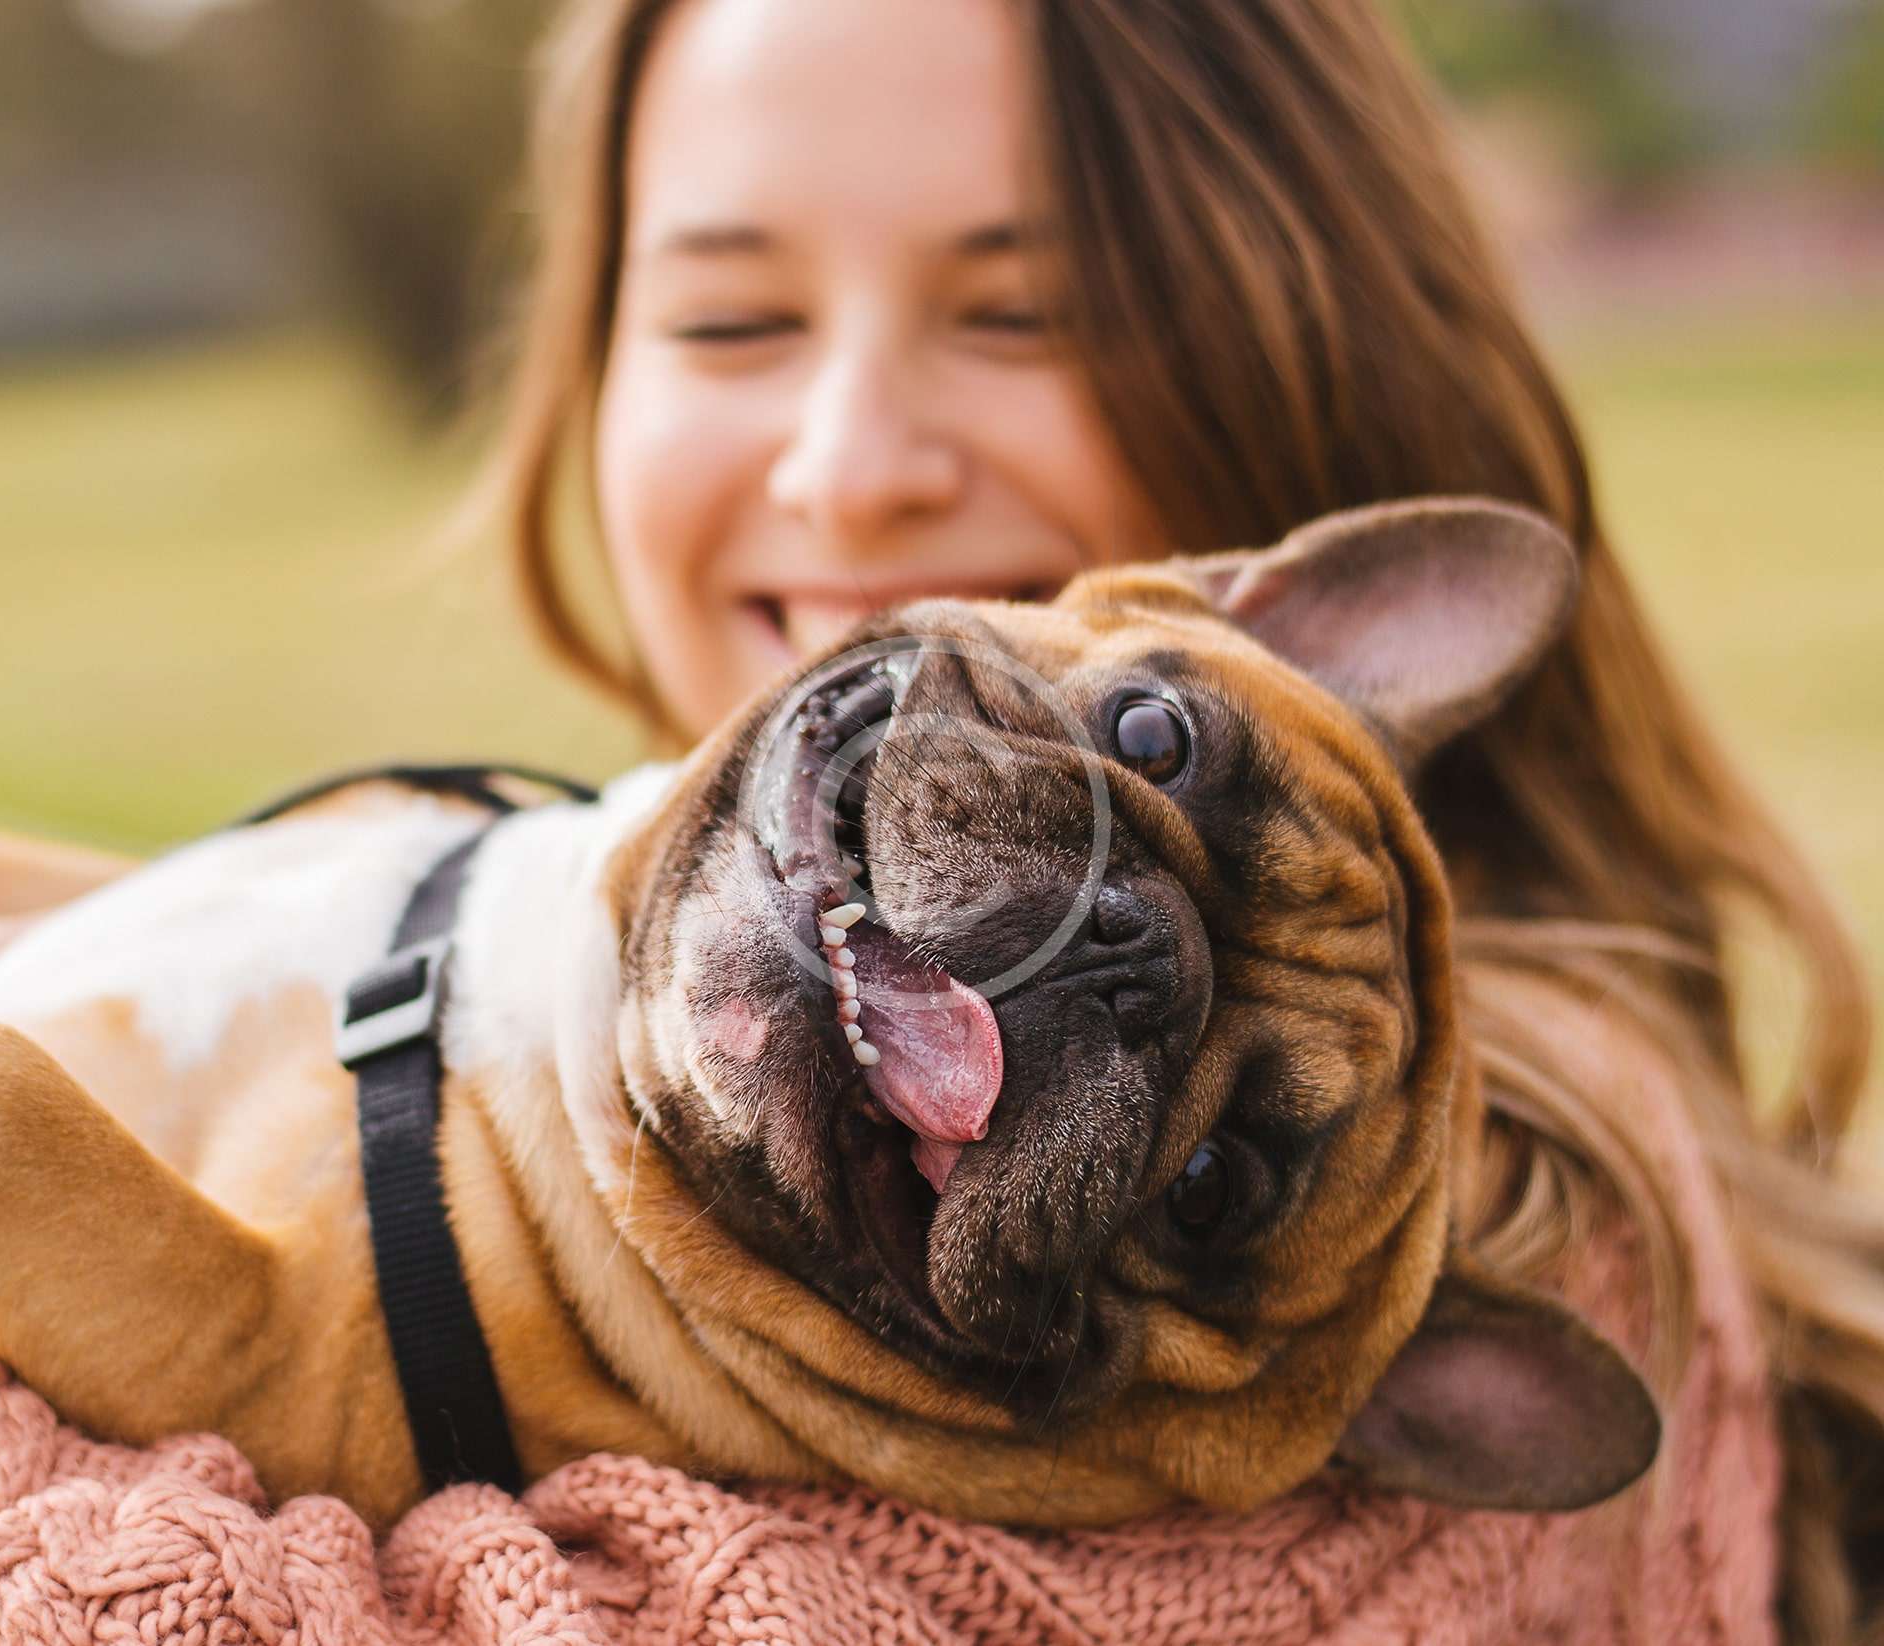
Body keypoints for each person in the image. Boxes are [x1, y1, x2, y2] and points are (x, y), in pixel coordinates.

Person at [474, 0, 1884, 1637]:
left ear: (1313, 369)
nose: (851, 470)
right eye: (729, 323)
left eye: (1017, 317)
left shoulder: (1477, 1209)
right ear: (582, 361)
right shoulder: (649, 943)